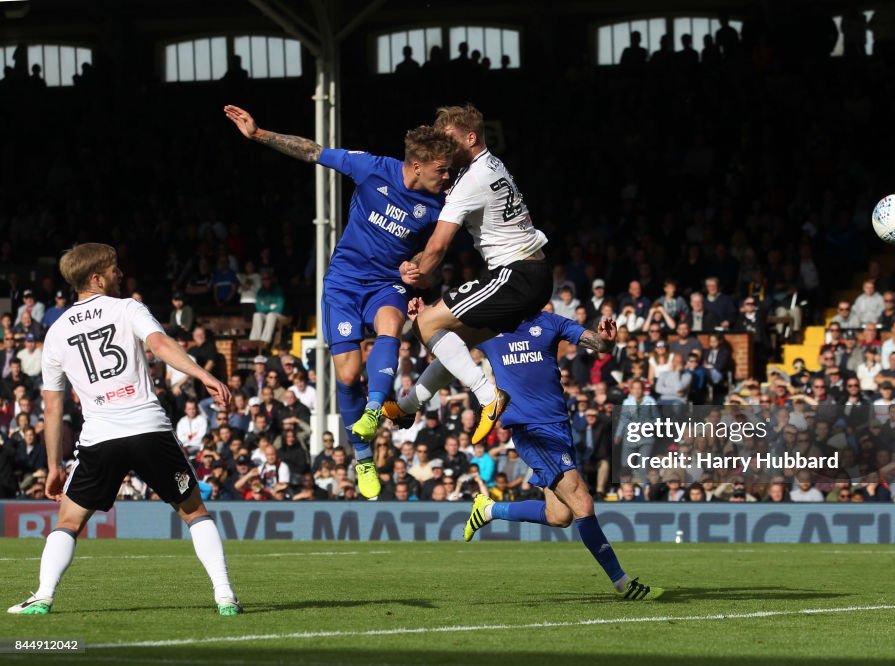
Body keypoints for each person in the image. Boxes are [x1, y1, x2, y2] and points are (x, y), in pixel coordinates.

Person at [224, 104, 455, 499]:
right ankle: (362, 458)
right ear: (416, 165)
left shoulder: (444, 203)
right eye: (441, 170)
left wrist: (416, 268)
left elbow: (432, 256)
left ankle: (372, 413)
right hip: (344, 283)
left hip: (386, 283)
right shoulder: (372, 168)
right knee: (347, 377)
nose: (447, 176)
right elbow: (314, 151)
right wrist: (259, 133)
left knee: (390, 328)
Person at [7, 243, 241, 616]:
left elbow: (52, 406)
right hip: (148, 428)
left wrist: (54, 464)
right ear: (96, 278)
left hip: (100, 437)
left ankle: (43, 596)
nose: (120, 274)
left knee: (67, 522)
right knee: (195, 512)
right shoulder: (127, 307)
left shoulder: (56, 331)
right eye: (114, 269)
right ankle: (225, 595)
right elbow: (160, 343)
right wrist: (203, 374)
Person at [463, 308, 662, 601]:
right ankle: (622, 582)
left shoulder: (549, 321)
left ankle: (489, 510)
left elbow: (597, 343)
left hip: (559, 427)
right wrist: (420, 321)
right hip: (531, 429)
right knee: (582, 500)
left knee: (559, 516)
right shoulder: (490, 326)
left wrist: (607, 341)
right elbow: (442, 337)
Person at [383, 104, 551, 446]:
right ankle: (406, 407)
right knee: (455, 347)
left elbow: (437, 248)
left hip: (516, 275)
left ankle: (489, 397)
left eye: (449, 139)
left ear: (470, 137)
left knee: (426, 324)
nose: (442, 148)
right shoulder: (490, 165)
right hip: (532, 274)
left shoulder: (471, 180)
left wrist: (408, 274)